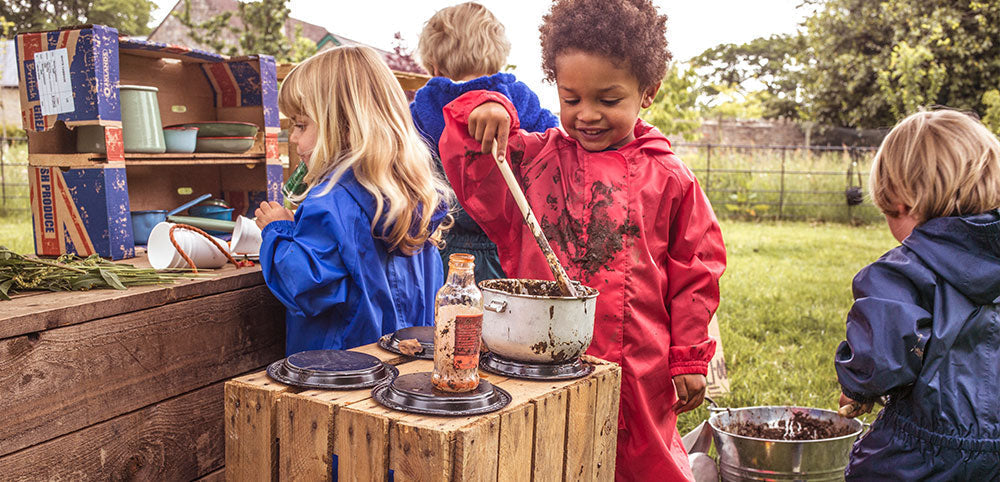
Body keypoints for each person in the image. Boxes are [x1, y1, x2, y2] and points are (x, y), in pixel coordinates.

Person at [437, 0, 726, 479]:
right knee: (543, 460)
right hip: (536, 365)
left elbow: (696, 272)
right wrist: (485, 107)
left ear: (647, 92)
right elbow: (473, 159)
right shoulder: (532, 161)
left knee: (638, 465)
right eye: (571, 99)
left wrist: (689, 356)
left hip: (639, 369)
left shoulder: (671, 177)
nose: (587, 115)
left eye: (607, 100)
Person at [835, 109, 1000, 479]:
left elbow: (881, 355)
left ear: (903, 204)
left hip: (923, 452)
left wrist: (855, 387)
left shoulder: (901, 273)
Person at [255, 46, 452, 355]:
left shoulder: (328, 203)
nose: (293, 139)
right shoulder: (415, 197)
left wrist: (277, 231)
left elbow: (304, 285)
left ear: (342, 127)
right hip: (404, 365)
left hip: (342, 371)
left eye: (300, 124)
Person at [411, 1, 559, 282]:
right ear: (498, 57)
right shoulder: (518, 98)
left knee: (446, 319)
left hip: (439, 245)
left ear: (434, 67)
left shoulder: (423, 108)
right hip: (507, 245)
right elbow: (552, 145)